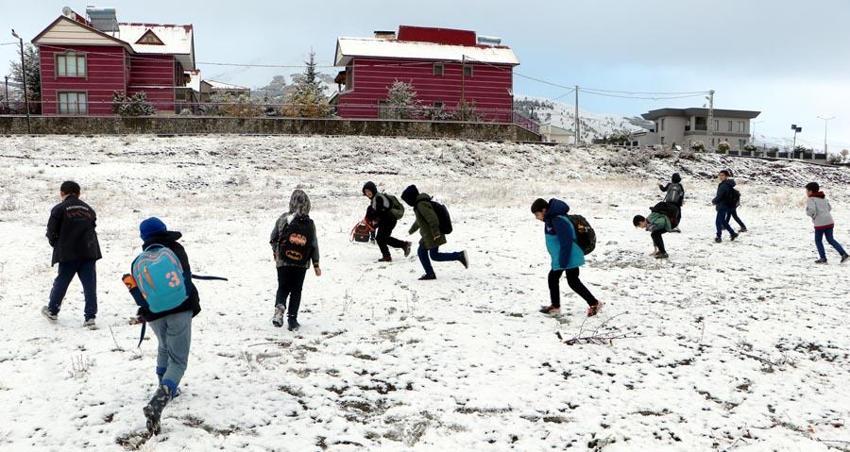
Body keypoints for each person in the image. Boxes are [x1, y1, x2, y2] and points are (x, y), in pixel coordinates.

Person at [122, 217, 201, 436]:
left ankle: (164, 387)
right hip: (180, 308)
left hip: (154, 313)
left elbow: (140, 292)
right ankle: (159, 400)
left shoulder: (139, 260)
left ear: (143, 237)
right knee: (178, 360)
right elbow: (185, 279)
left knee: (164, 346)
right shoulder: (175, 249)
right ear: (163, 230)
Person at [42, 181, 102, 329]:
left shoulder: (59, 209)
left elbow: (51, 231)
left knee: (62, 281)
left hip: (68, 253)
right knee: (89, 284)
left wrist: (56, 244)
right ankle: (90, 318)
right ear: (79, 193)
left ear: (62, 193)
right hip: (89, 251)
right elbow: (92, 227)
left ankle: (53, 310)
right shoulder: (89, 209)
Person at [531, 198, 602, 316]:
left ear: (544, 210)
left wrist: (563, 261)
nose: (537, 218)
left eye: (537, 214)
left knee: (567, 280)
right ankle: (557, 306)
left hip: (567, 257)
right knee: (565, 280)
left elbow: (566, 241)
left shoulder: (557, 220)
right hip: (565, 257)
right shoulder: (551, 219)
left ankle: (593, 303)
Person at [270, 190, 321, 331]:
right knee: (296, 290)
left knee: (283, 287)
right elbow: (313, 244)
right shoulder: (309, 223)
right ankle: (292, 320)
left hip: (283, 262)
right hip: (301, 262)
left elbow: (273, 237)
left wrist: (276, 251)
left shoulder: (282, 219)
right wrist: (316, 264)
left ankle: (280, 306)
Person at [400, 185, 468, 280]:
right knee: (434, 255)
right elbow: (420, 220)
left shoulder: (421, 204)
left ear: (410, 198)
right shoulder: (420, 203)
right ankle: (459, 256)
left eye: (407, 200)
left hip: (432, 234)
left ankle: (430, 273)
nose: (407, 203)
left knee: (422, 251)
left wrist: (436, 233)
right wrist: (411, 230)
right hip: (431, 233)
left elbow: (432, 219)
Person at [362, 181, 412, 262]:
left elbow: (379, 212)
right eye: (366, 192)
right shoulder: (375, 199)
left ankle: (389, 255)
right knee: (383, 238)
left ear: (373, 190)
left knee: (380, 238)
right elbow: (377, 213)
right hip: (387, 220)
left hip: (389, 219)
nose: (368, 193)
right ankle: (403, 245)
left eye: (369, 191)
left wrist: (372, 222)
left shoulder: (378, 198)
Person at [805, 182, 849, 264]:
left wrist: (811, 215)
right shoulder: (823, 197)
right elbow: (829, 207)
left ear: (811, 191)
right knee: (830, 239)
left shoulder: (811, 199)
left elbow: (811, 210)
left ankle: (823, 258)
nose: (806, 193)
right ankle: (843, 254)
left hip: (820, 223)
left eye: (807, 191)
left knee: (818, 240)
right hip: (829, 221)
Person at [711, 170, 739, 243]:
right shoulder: (727, 184)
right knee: (723, 221)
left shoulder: (724, 185)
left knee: (718, 222)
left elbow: (720, 196)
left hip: (722, 205)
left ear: (726, 176)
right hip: (726, 205)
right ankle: (733, 233)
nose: (720, 176)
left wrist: (714, 201)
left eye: (722, 175)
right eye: (720, 175)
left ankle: (718, 236)